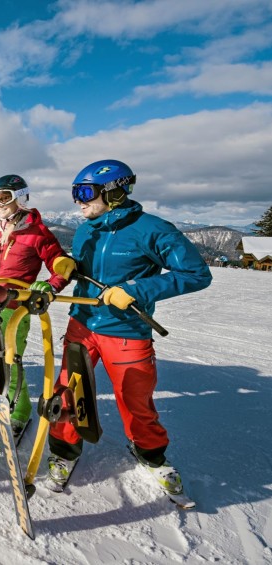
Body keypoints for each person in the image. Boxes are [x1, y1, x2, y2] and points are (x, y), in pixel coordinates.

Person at [46, 159, 212, 496]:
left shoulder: (153, 229)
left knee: (135, 398)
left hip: (125, 332)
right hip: (82, 323)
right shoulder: (85, 230)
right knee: (68, 392)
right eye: (75, 193)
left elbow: (197, 274)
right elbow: (83, 270)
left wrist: (136, 290)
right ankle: (64, 451)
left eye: (85, 192)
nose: (78, 200)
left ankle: (150, 454)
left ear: (115, 191)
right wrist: (65, 268)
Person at [0, 175, 75, 438]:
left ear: (20, 197)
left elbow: (59, 262)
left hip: (15, 304)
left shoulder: (36, 232)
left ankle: (19, 410)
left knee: (10, 360)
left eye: (5, 196)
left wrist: (51, 285)